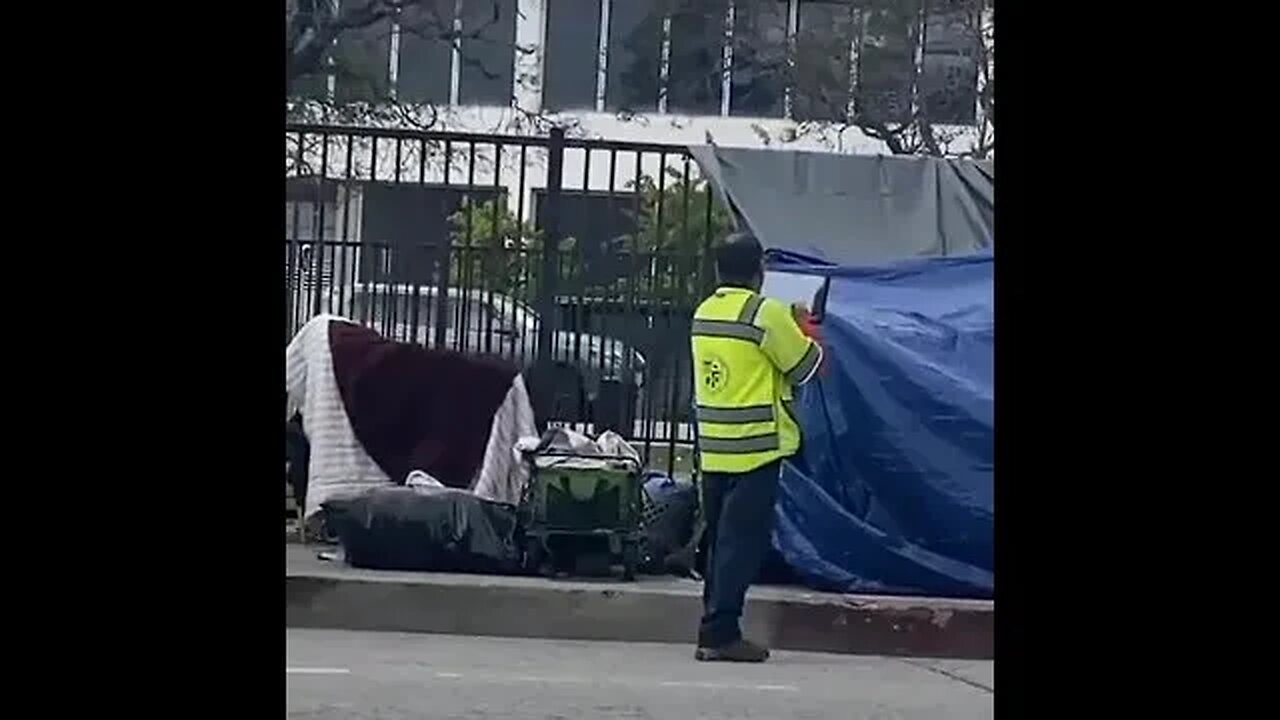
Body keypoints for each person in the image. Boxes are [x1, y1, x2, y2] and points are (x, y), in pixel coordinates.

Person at [690, 232, 823, 662]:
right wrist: (803, 329)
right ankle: (720, 634)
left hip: (714, 447)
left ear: (717, 270)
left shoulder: (705, 312)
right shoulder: (764, 314)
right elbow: (805, 367)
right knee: (739, 545)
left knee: (719, 542)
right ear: (759, 273)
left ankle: (712, 627)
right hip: (757, 447)